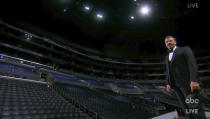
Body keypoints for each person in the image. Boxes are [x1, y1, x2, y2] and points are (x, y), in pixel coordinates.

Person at [164, 36, 206, 119]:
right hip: (176, 86)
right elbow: (169, 71)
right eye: (166, 42)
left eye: (170, 41)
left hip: (188, 84)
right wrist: (168, 83)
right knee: (186, 108)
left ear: (175, 42)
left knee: (194, 107)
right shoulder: (167, 56)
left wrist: (194, 80)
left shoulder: (185, 49)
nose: (168, 42)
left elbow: (192, 64)